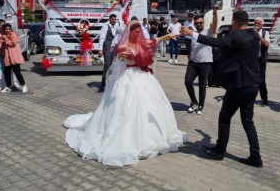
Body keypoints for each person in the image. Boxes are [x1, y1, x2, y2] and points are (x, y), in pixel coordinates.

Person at [63, 21, 188, 166]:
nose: (139, 34)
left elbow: (155, 40)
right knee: (124, 106)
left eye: (139, 32)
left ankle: (152, 135)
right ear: (130, 32)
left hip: (142, 77)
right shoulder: (124, 45)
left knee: (150, 103)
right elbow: (120, 56)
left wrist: (168, 35)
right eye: (136, 32)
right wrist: (122, 55)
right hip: (128, 78)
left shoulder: (142, 42)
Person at [181, 10, 263, 168]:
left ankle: (219, 150)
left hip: (239, 86)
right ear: (247, 22)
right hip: (254, 85)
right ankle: (256, 157)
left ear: (233, 22)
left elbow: (217, 43)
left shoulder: (234, 37)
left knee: (224, 118)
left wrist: (193, 34)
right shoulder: (253, 34)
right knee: (248, 122)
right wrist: (204, 137)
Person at [185, 5, 218, 115]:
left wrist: (214, 13)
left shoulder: (209, 31)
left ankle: (201, 106)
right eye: (197, 23)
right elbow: (191, 46)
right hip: (193, 63)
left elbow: (214, 25)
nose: (199, 24)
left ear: (203, 23)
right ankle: (194, 102)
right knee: (188, 81)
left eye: (200, 22)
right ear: (194, 24)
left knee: (202, 86)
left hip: (206, 63)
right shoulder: (193, 33)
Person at [0, 23, 28, 93]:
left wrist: (5, 39)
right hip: (7, 57)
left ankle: (24, 85)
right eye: (6, 29)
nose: (8, 30)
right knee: (7, 73)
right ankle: (8, 86)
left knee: (17, 72)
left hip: (14, 57)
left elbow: (13, 43)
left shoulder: (13, 34)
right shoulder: (3, 35)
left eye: (9, 29)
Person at [98, 14, 117, 92]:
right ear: (109, 19)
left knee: (112, 66)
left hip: (112, 48)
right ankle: (103, 85)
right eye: (113, 19)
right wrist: (100, 49)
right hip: (107, 48)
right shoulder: (106, 27)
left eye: (115, 19)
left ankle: (109, 83)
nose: (114, 21)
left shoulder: (114, 28)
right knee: (107, 66)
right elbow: (102, 38)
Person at [254, 18, 270, 105]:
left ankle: (264, 98)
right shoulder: (250, 32)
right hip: (252, 59)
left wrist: (258, 36)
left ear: (262, 25)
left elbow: (267, 44)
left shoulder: (265, 33)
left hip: (261, 59)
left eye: (258, 23)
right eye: (255, 23)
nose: (256, 24)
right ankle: (251, 97)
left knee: (261, 80)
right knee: (252, 79)